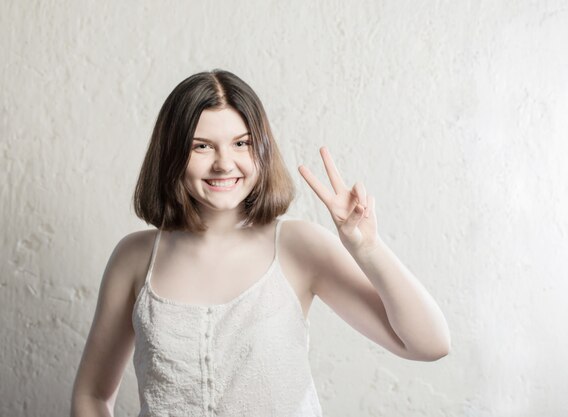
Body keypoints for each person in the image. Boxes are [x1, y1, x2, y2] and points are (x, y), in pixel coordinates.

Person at [70, 69, 451, 417]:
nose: (224, 163)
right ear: (171, 154)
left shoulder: (298, 246)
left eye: (241, 143)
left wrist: (367, 249)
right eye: (201, 146)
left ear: (262, 149)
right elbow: (91, 396)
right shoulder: (134, 257)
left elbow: (429, 344)